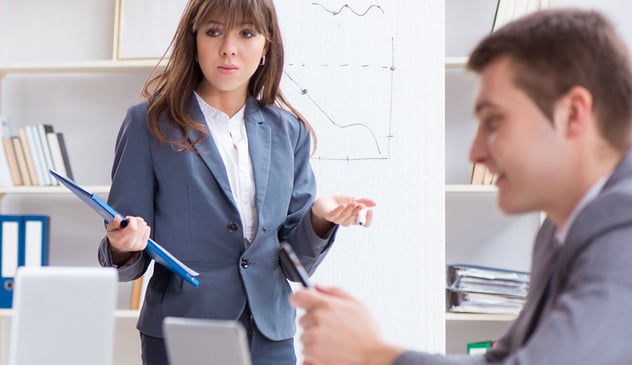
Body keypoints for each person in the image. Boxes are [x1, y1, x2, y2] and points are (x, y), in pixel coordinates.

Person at [290, 8, 632, 365]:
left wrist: (371, 353)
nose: (475, 152)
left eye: (494, 121)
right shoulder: (560, 231)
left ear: (573, 113)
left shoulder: (622, 223)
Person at [98, 0, 376, 363]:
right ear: (193, 41)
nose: (229, 48)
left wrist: (321, 217)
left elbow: (295, 266)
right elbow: (126, 256)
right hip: (183, 330)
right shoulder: (148, 123)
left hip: (269, 336)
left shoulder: (289, 131)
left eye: (246, 33)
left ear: (266, 46)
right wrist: (122, 245)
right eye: (214, 32)